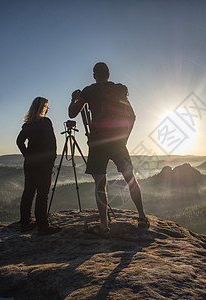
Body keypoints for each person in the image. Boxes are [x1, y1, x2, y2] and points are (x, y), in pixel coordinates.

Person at [68, 62, 149, 237]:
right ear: (109, 74)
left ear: (94, 75)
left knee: (99, 184)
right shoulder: (119, 90)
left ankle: (104, 226)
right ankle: (142, 217)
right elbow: (132, 116)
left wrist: (74, 98)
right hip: (118, 141)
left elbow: (72, 113)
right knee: (130, 179)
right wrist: (124, 138)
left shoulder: (89, 91)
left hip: (97, 142)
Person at [16, 97, 61, 235]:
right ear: (43, 108)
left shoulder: (27, 125)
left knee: (28, 191)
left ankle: (25, 222)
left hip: (30, 163)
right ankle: (42, 225)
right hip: (44, 163)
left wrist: (27, 154)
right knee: (42, 193)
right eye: (47, 107)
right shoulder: (45, 122)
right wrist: (52, 159)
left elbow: (19, 141)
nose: (47, 109)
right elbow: (52, 144)